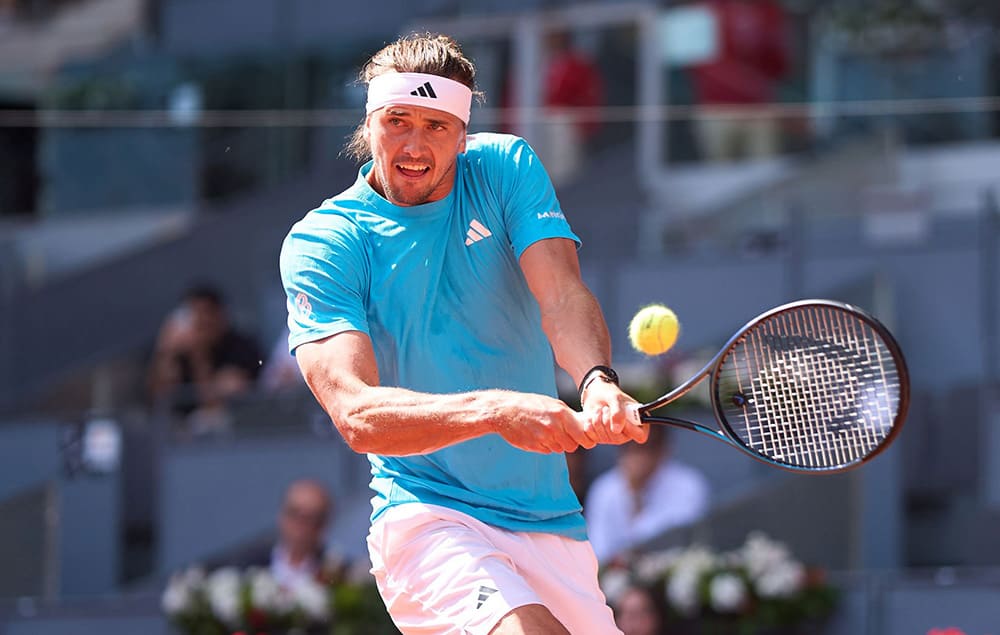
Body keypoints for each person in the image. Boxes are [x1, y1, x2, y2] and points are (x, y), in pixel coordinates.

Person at [279, 33, 648, 635]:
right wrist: (495, 410)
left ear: (463, 132)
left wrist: (597, 381)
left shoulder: (505, 168)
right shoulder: (325, 242)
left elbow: (560, 293)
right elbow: (355, 412)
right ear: (369, 121)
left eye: (437, 125)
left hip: (550, 520)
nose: (415, 145)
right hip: (427, 519)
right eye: (397, 121)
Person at [585, 425, 709, 565]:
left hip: (668, 571)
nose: (640, 457)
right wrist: (633, 493)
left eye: (647, 447)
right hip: (615, 579)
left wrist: (636, 491)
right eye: (631, 447)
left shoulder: (688, 484)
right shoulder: (603, 489)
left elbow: (677, 540)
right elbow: (599, 550)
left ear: (663, 449)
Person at [148, 284, 262, 432]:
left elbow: (214, 404)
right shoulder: (179, 352)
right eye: (194, 315)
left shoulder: (242, 348)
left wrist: (198, 355)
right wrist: (166, 352)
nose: (200, 322)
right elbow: (158, 400)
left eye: (205, 314)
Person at [690, 0, 790, 161]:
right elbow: (693, 62)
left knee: (765, 174)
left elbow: (779, 61)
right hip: (717, 108)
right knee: (719, 176)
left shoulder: (769, 11)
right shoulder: (705, 9)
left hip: (759, 109)